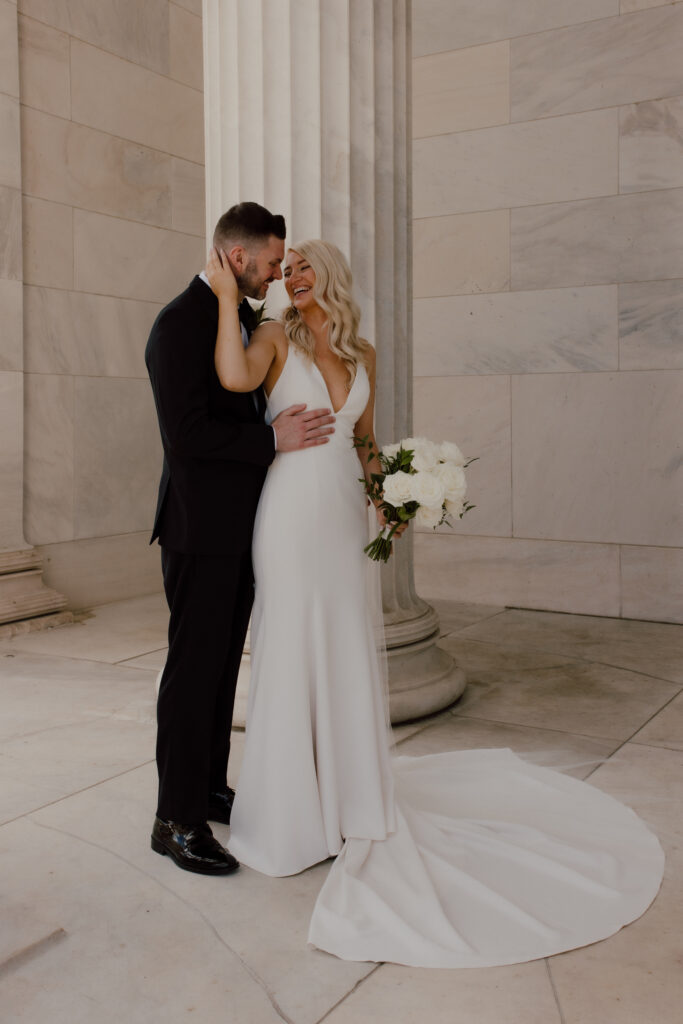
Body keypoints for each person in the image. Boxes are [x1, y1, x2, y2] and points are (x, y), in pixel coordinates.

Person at [204, 239, 664, 967]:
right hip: (287, 516)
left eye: (302, 265)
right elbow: (231, 377)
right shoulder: (269, 338)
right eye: (283, 267)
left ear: (329, 276)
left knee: (345, 646)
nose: (290, 275)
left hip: (338, 519)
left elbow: (362, 440)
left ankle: (348, 800)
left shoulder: (363, 354)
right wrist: (229, 296)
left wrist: (387, 495)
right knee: (293, 646)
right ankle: (290, 814)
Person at [145, 203, 335, 876]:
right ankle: (174, 821)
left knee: (223, 669)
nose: (278, 274)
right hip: (198, 532)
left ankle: (205, 787)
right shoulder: (177, 324)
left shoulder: (242, 320)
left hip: (244, 530)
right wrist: (270, 438)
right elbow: (187, 437)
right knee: (193, 673)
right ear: (236, 258)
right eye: (271, 263)